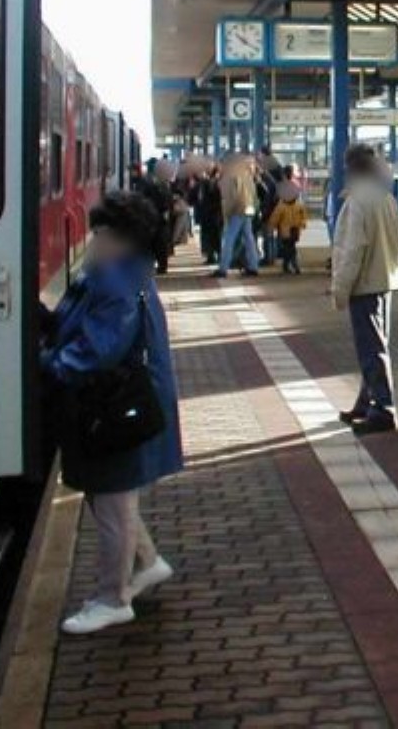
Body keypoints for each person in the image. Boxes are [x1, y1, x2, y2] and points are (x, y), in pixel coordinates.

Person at [40, 190, 183, 634]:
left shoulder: (114, 283)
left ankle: (113, 598)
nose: (93, 239)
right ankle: (147, 562)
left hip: (117, 408)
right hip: (123, 404)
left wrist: (48, 367)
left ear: (121, 240)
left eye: (100, 232)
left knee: (113, 502)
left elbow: (99, 349)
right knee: (111, 497)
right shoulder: (120, 275)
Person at [330, 144, 398, 435]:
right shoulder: (386, 198)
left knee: (371, 349)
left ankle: (383, 408)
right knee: (375, 345)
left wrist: (340, 289)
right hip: (385, 278)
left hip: (365, 283)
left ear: (350, 168)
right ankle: (366, 402)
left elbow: (352, 250)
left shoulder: (357, 202)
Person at [213, 159, 260, 278]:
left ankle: (223, 268)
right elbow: (254, 194)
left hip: (236, 210)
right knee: (249, 238)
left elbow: (231, 197)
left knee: (228, 238)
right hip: (248, 209)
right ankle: (253, 266)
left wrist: (227, 213)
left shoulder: (230, 177)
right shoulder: (246, 175)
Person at [267, 185, 309, 275]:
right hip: (291, 230)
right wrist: (303, 224)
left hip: (288, 231)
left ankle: (287, 265)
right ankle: (293, 265)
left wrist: (271, 227)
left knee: (288, 248)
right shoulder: (298, 206)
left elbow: (274, 219)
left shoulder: (282, 206)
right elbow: (304, 217)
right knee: (291, 248)